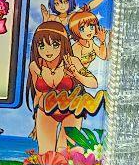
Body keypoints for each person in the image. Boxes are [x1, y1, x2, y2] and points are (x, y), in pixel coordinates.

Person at [26, 21, 98, 153]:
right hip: (44, 112)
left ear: (63, 43)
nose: (48, 51)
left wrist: (76, 74)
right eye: (41, 45)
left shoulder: (72, 61)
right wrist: (36, 122)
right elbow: (38, 95)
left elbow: (93, 83)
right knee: (45, 154)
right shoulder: (35, 66)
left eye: (55, 44)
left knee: (65, 153)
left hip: (71, 112)